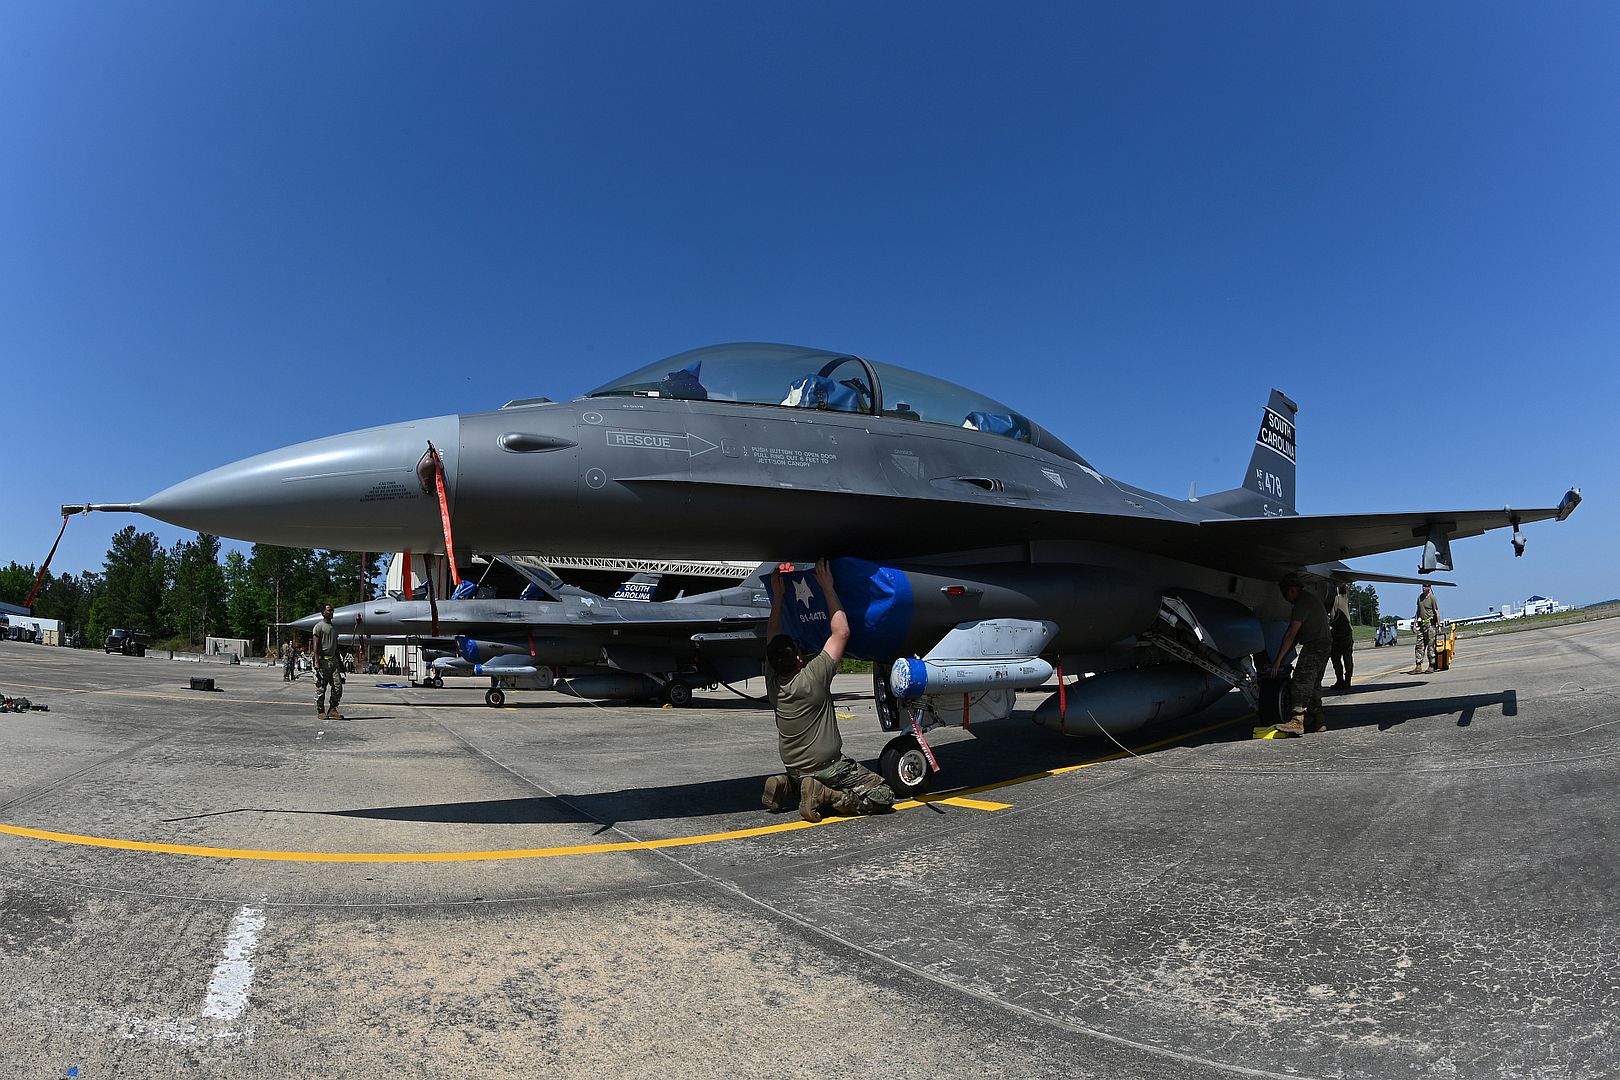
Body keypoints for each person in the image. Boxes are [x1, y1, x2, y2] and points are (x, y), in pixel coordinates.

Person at [760, 558, 896, 822]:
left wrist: (778, 598)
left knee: (806, 776)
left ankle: (786, 784)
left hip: (794, 767)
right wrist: (827, 586)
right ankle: (826, 796)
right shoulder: (813, 677)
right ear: (799, 659)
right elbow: (841, 633)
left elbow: (771, 637)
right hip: (828, 767)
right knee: (882, 794)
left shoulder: (773, 681)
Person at [1267, 572, 1332, 736]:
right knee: (1314, 685)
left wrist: (1276, 662)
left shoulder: (1301, 604)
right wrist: (1280, 658)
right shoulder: (1309, 600)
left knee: (1300, 682)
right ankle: (1319, 721)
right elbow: (1295, 638)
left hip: (1315, 645)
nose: (1285, 597)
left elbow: (1291, 634)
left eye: (1285, 592)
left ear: (1292, 589)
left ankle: (1297, 721)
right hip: (1324, 644)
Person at [310, 605, 345, 720]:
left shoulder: (333, 628)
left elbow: (335, 647)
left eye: (332, 610)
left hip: (333, 662)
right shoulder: (319, 627)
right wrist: (316, 661)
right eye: (329, 610)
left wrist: (340, 663)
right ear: (323, 613)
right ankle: (321, 711)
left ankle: (333, 709)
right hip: (322, 661)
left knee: (337, 686)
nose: (332, 612)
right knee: (321, 688)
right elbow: (315, 645)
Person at [1328, 585, 1354, 692]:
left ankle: (1347, 680)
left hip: (1345, 634)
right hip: (1335, 633)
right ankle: (1340, 680)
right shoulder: (1329, 601)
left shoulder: (1343, 598)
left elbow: (1343, 588)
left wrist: (1336, 581)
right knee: (1335, 659)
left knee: (1347, 658)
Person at [1413, 583, 1441, 674]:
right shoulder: (1420, 598)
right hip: (1422, 624)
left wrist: (1438, 624)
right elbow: (1418, 611)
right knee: (1419, 645)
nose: (1424, 588)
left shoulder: (1432, 598)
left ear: (1429, 587)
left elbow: (1436, 611)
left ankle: (1431, 665)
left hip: (1430, 625)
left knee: (1430, 646)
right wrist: (1415, 623)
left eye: (1426, 586)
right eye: (1423, 586)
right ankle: (1418, 666)